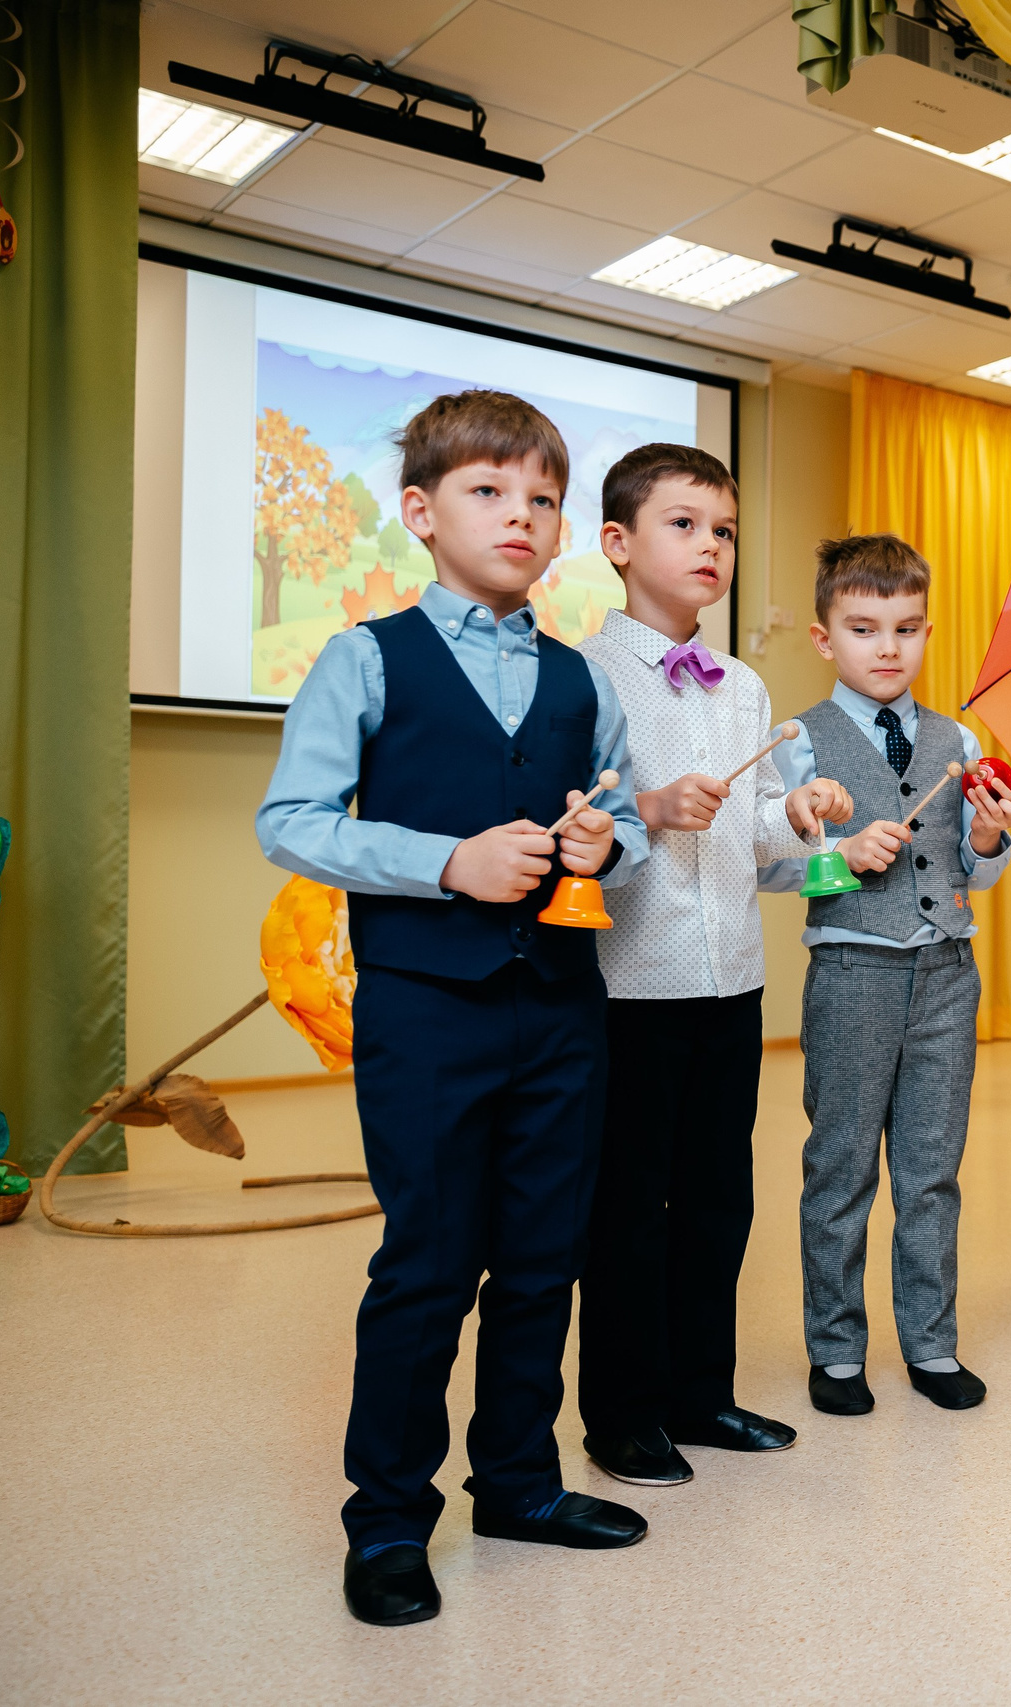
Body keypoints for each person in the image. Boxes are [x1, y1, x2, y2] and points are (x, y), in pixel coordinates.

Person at [255, 390, 653, 1626]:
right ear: (422, 513)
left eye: (543, 498)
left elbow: (628, 821)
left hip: (562, 1011)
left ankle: (520, 1486)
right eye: (491, 492)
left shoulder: (584, 680)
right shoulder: (365, 657)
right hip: (427, 1010)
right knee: (429, 1265)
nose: (522, 516)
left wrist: (602, 844)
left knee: (545, 1257)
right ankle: (385, 1523)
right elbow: (292, 823)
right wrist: (445, 862)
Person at [574, 444, 853, 1486]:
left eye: (724, 530)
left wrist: (797, 811)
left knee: (717, 1202)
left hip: (732, 982)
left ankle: (702, 1395)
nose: (709, 545)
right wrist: (641, 808)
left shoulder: (744, 687)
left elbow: (766, 847)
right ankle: (619, 1415)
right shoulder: (584, 679)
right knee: (627, 1210)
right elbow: (571, 823)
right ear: (618, 543)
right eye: (682, 524)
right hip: (625, 989)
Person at [763, 535, 1011, 1416]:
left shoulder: (958, 737)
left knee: (931, 1169)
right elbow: (771, 863)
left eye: (906, 628)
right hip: (852, 970)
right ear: (824, 636)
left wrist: (987, 838)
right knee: (840, 1167)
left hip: (948, 970)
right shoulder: (799, 739)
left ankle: (930, 1341)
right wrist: (837, 851)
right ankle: (836, 1350)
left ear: (927, 631)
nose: (888, 647)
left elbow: (972, 868)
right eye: (864, 627)